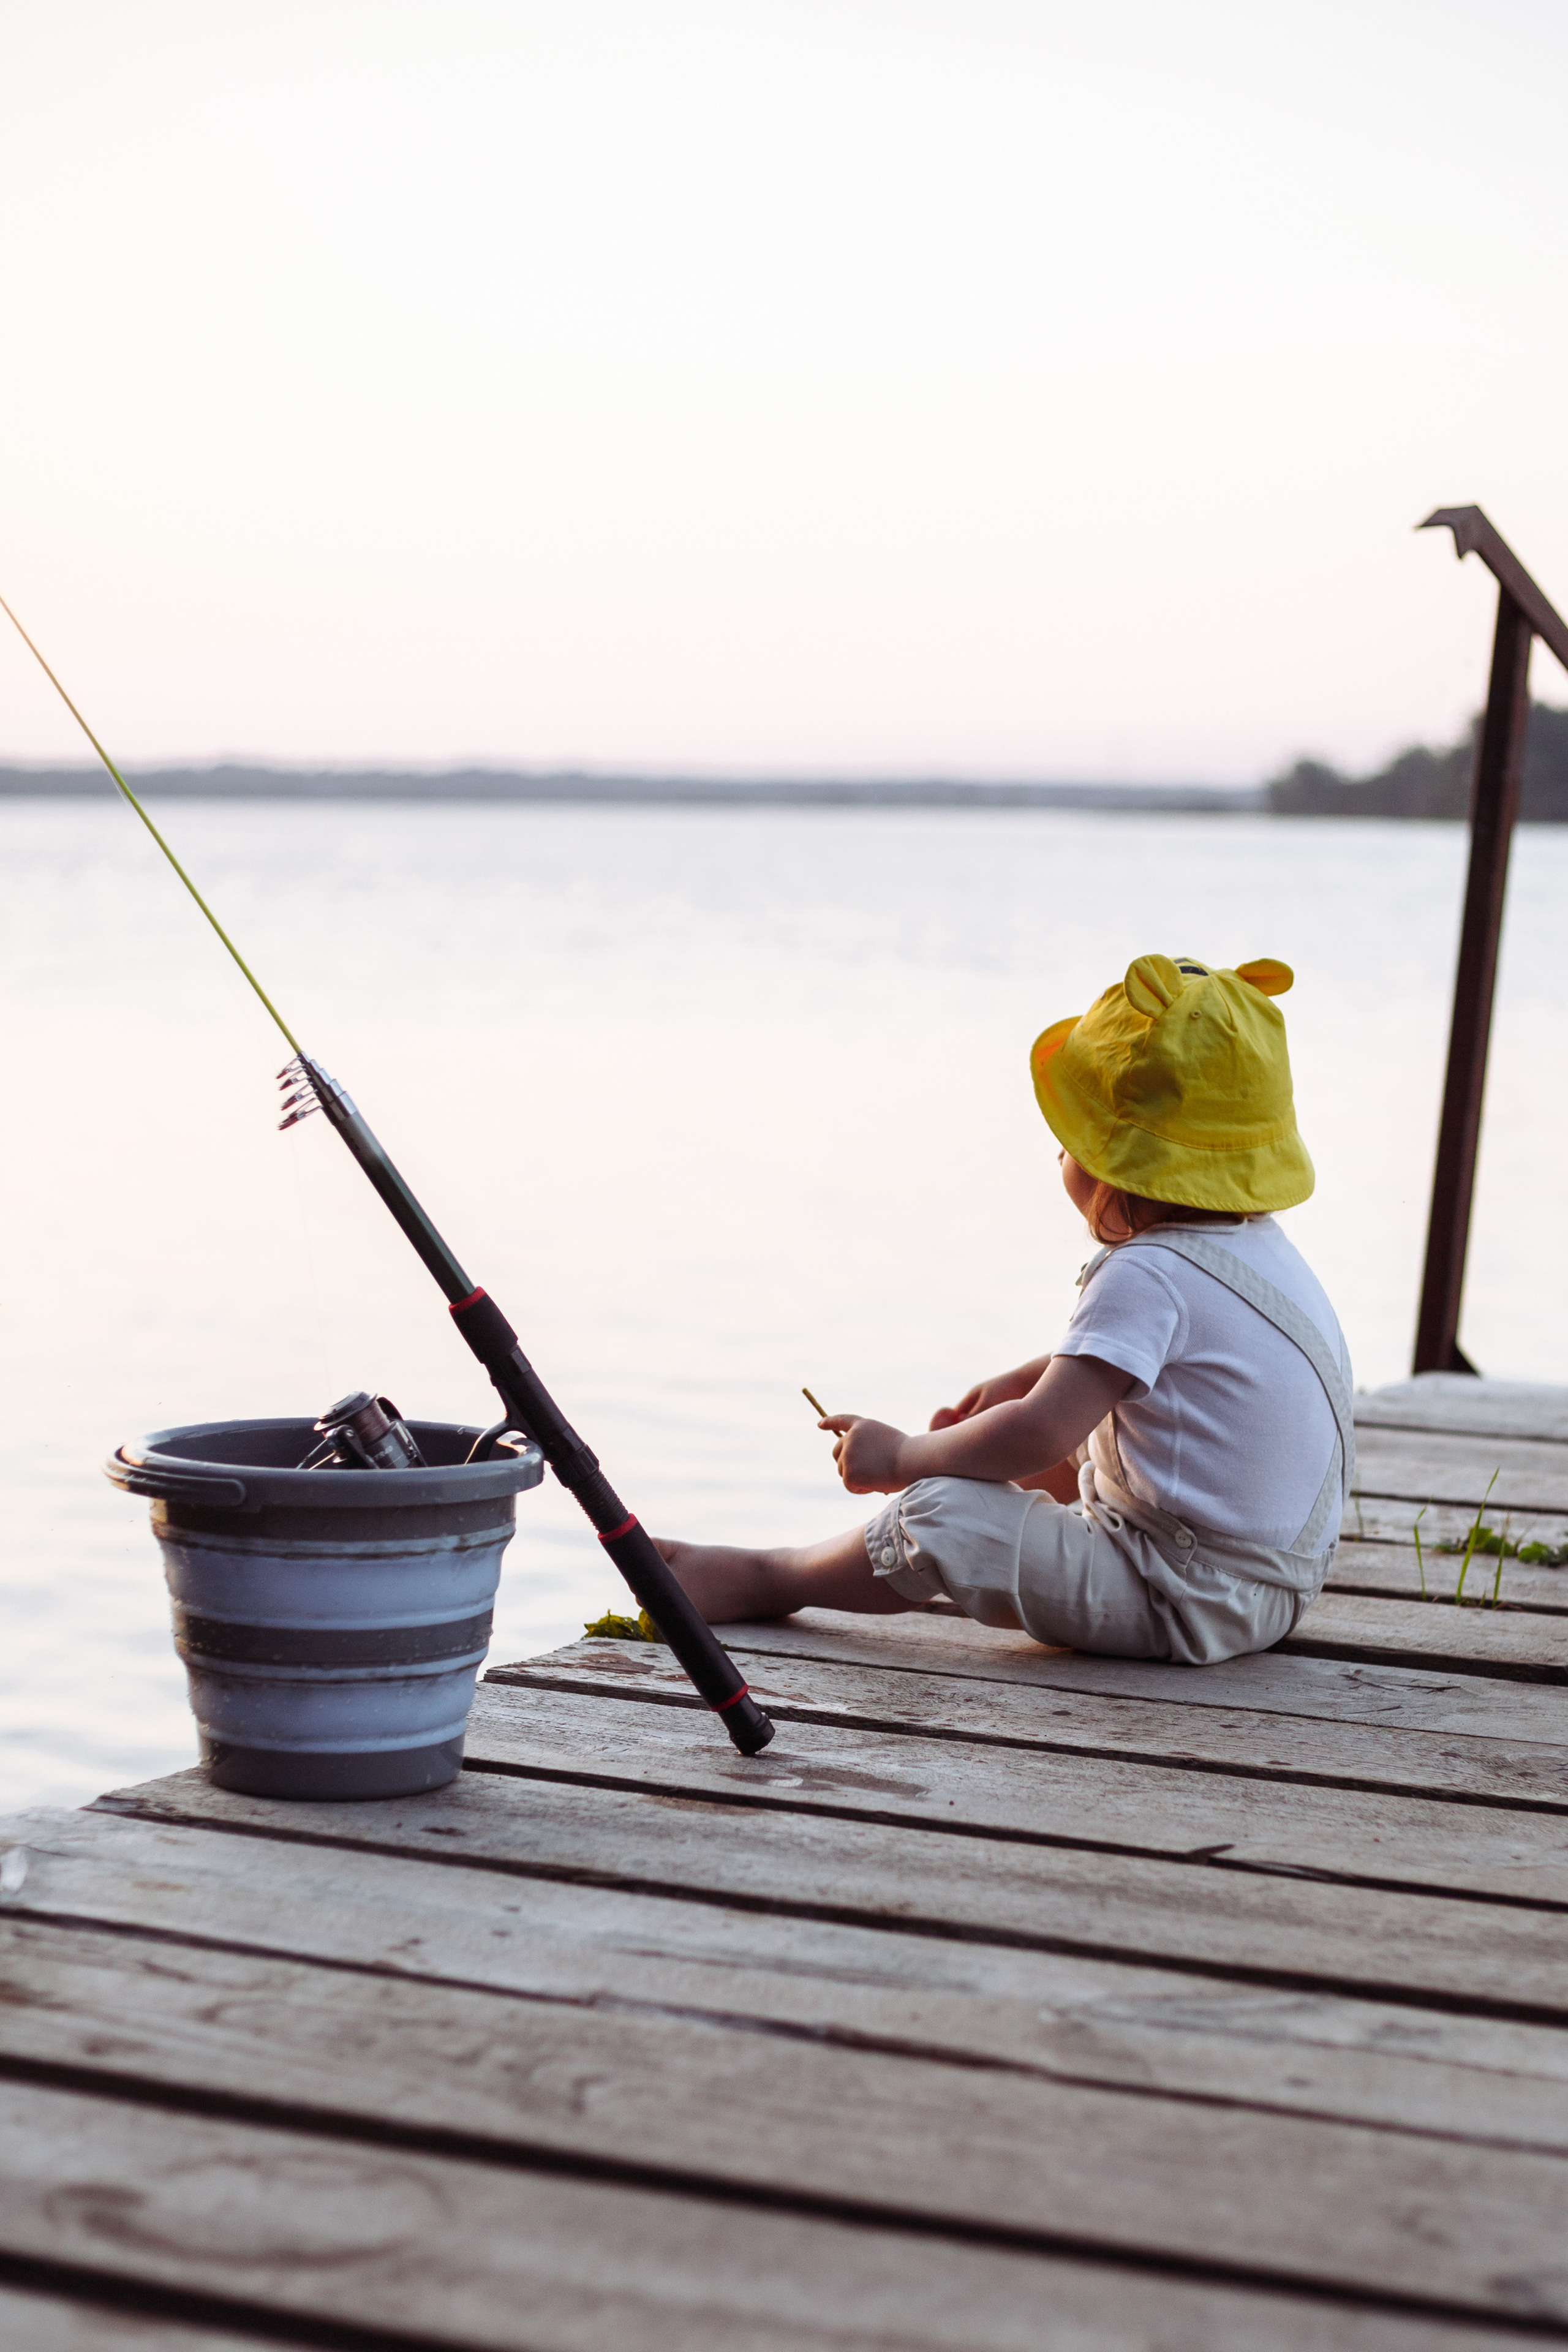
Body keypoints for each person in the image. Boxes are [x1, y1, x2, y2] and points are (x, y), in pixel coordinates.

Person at [658, 952, 1352, 1665]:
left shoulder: (1146, 1272)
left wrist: (901, 1456)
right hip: (1275, 1585)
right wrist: (1029, 1380)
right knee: (1078, 1434)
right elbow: (1162, 1368)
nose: (1059, 1156)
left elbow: (1040, 1433)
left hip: (1186, 1596)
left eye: (1072, 1141)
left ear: (1121, 1165)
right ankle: (997, 1521)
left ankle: (770, 1578)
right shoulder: (1260, 1249)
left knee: (943, 1514)